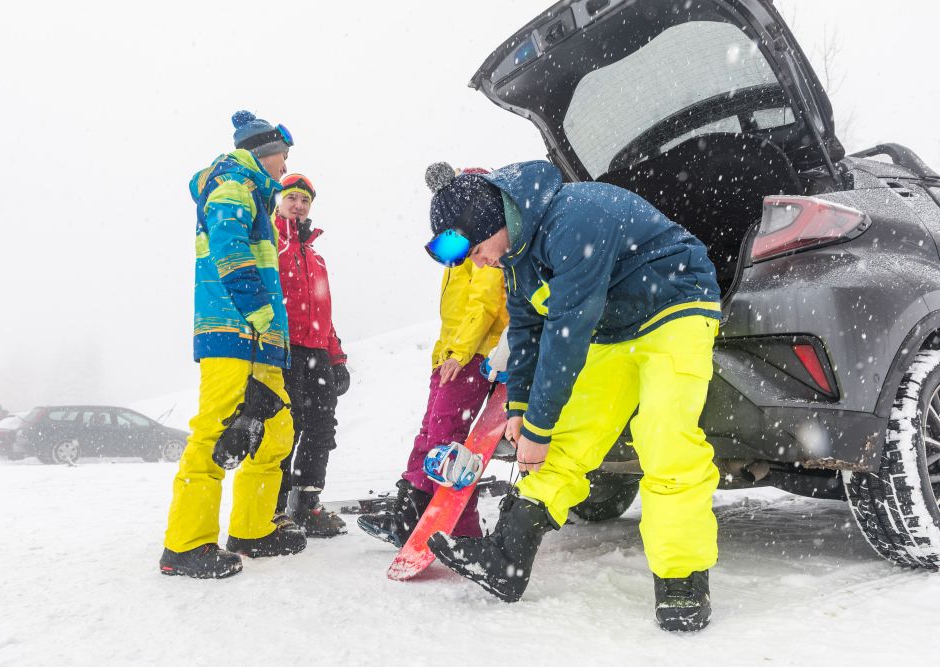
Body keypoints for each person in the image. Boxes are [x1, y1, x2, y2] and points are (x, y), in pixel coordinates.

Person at [421, 160, 722, 632]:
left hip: (676, 306)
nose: (478, 263)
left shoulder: (573, 217)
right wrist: (521, 410)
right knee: (565, 442)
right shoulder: (517, 257)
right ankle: (507, 557)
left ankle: (682, 578)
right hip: (615, 326)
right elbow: (525, 332)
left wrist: (536, 428)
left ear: (490, 222)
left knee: (665, 437)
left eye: (477, 250)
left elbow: (566, 332)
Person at [159, 110, 305, 579]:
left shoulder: (255, 194)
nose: (285, 167)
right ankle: (186, 546)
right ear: (267, 153)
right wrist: (261, 312)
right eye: (284, 156)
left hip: (260, 339)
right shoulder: (232, 185)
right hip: (233, 331)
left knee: (276, 429)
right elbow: (228, 246)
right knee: (216, 431)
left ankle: (252, 530)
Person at [357, 163, 508, 547]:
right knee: (431, 436)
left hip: (473, 356)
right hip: (452, 356)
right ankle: (408, 513)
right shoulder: (458, 254)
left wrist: (459, 354)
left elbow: (486, 304)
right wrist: (445, 355)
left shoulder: (485, 248)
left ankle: (463, 529)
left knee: (449, 444)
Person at [271, 173, 350, 537]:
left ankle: (306, 504)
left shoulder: (315, 257)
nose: (299, 205)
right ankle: (273, 508)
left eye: (304, 200)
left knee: (321, 428)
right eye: (292, 198)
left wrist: (337, 359)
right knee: (286, 429)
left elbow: (325, 313)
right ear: (279, 202)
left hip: (318, 352)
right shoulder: (270, 243)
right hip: (285, 352)